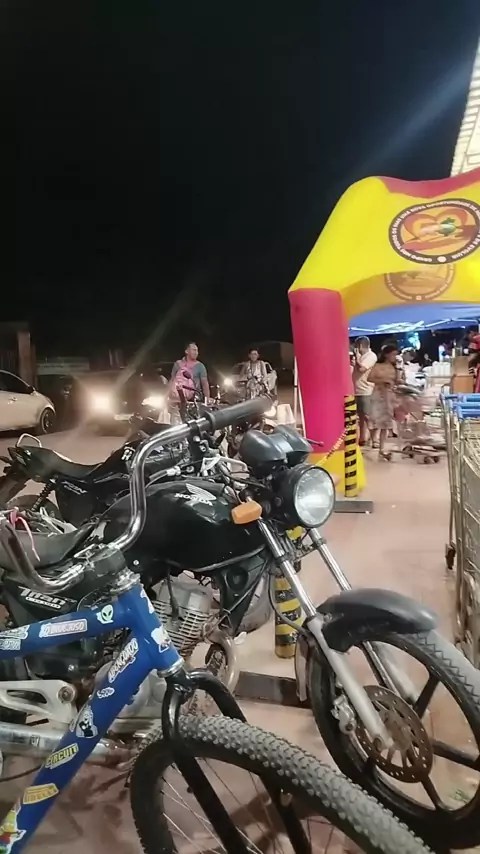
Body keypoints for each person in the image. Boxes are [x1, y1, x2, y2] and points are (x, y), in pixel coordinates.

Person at [368, 344, 402, 460]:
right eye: (393, 354)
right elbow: (370, 378)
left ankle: (382, 448)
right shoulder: (377, 366)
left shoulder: (394, 367)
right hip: (378, 395)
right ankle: (373, 439)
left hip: (389, 396)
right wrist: (383, 380)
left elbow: (397, 380)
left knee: (386, 422)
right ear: (387, 355)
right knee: (375, 419)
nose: (394, 357)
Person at [352, 337, 377, 446]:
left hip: (366, 390)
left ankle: (374, 439)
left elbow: (362, 369)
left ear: (360, 346)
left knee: (368, 416)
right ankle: (362, 438)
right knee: (360, 417)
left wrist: (357, 359)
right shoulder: (361, 356)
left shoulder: (371, 356)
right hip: (356, 389)